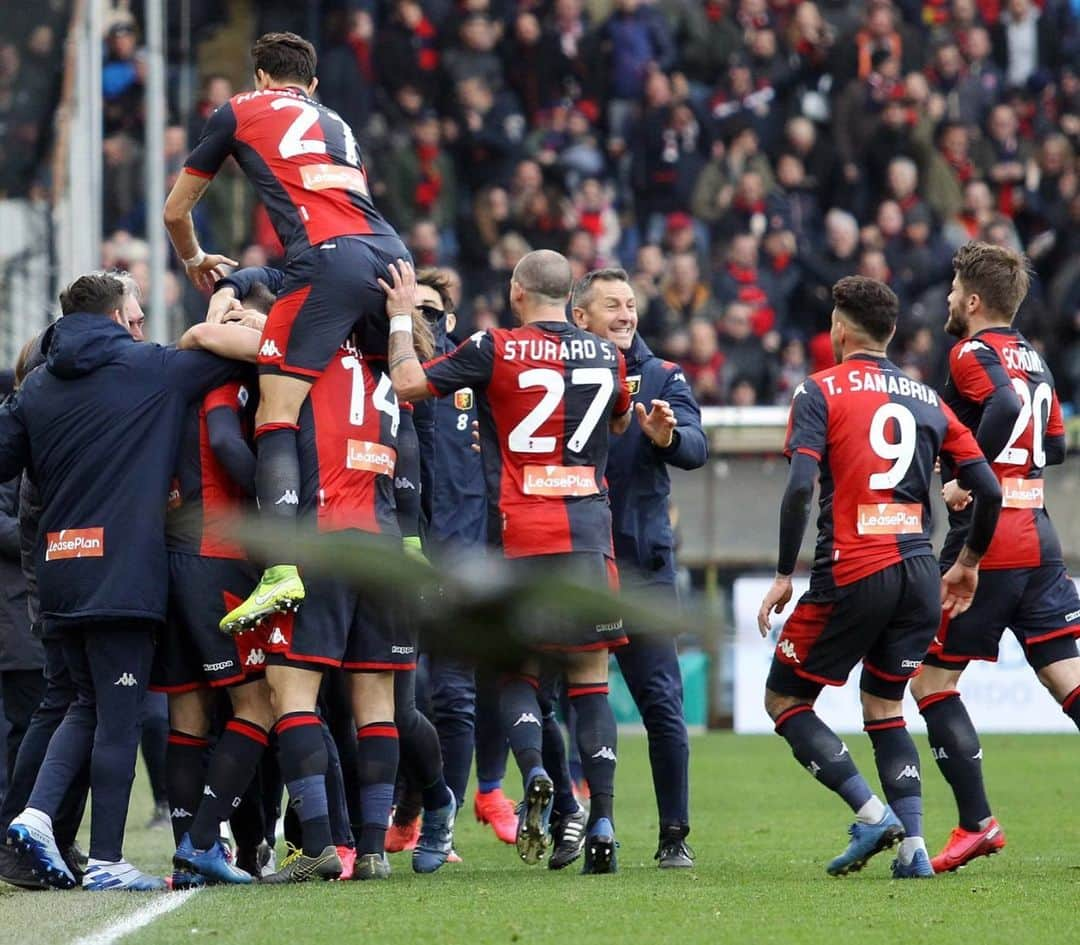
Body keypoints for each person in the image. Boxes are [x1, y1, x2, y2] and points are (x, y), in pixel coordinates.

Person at [383, 249, 632, 874]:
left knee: (516, 674)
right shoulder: (608, 356)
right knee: (590, 683)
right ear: (569, 294)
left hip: (522, 533)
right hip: (589, 534)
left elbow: (410, 386)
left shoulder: (495, 346)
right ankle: (598, 817)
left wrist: (395, 320)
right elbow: (621, 422)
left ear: (519, 293)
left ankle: (536, 774)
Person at [0, 274, 245, 890]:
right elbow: (251, 356)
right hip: (122, 574)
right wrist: (205, 323)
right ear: (114, 317)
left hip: (58, 571)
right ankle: (106, 860)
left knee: (84, 704)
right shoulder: (153, 368)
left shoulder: (36, 388)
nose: (141, 327)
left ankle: (31, 818)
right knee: (119, 719)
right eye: (136, 317)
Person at [756, 275, 1002, 879]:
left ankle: (871, 813)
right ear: (891, 333)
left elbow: (797, 489)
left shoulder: (819, 390)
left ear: (839, 329)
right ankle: (915, 849)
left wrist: (785, 572)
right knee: (885, 703)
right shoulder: (926, 398)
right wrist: (966, 562)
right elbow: (988, 488)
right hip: (919, 569)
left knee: (785, 698)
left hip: (853, 567)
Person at [163, 31, 409, 632]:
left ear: (260, 79)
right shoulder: (338, 121)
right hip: (389, 252)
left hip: (326, 259)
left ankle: (281, 567)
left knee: (277, 407)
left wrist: (195, 258)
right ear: (312, 84)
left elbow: (176, 211)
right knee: (382, 386)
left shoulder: (240, 110)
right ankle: (410, 545)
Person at [911, 242, 1080, 872]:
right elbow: (1055, 446)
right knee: (1067, 677)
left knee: (931, 680)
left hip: (991, 537)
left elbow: (1005, 408)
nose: (950, 299)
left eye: (955, 289)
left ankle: (977, 823)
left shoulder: (971, 352)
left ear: (974, 300)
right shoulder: (1035, 358)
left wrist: (971, 474)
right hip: (1040, 534)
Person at [571, 267, 708, 868]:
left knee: (661, 703)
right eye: (611, 306)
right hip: (573, 564)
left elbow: (697, 449)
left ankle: (673, 834)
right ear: (581, 318)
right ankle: (583, 820)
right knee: (564, 695)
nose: (626, 315)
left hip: (641, 570)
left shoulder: (663, 377)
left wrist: (667, 439)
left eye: (630, 305)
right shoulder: (560, 375)